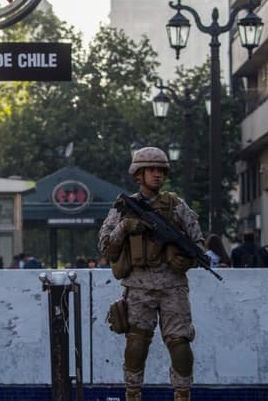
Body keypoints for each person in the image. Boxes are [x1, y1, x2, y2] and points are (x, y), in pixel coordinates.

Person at [98, 146, 204, 401]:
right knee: (136, 342)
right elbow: (104, 246)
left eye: (161, 170)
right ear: (139, 174)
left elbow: (198, 246)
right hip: (138, 286)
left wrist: (186, 261)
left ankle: (182, 394)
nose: (157, 175)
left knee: (179, 343)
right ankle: (132, 394)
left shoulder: (177, 206)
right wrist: (125, 227)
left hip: (172, 286)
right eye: (151, 170)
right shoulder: (124, 206)